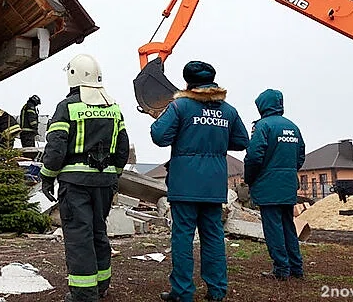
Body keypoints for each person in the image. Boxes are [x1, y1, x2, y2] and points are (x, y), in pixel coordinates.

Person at [151, 61, 249, 302]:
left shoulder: (180, 106)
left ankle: (182, 291)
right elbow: (242, 141)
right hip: (214, 184)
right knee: (214, 236)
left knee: (183, 236)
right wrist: (215, 140)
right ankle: (216, 291)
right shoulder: (228, 110)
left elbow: (158, 136)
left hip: (185, 184)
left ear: (188, 82)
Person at [40, 54, 129, 302]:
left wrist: (47, 177)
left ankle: (83, 294)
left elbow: (56, 148)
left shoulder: (67, 107)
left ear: (72, 77)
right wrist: (114, 176)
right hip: (104, 184)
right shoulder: (113, 108)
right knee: (99, 232)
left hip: (75, 184)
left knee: (80, 237)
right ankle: (101, 287)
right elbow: (123, 148)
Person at [244, 89, 306, 281]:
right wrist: (287, 171)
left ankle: (281, 269)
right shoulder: (293, 127)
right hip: (287, 185)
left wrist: (250, 178)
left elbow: (254, 157)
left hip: (268, 185)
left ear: (262, 105)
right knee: (288, 226)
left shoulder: (262, 127)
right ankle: (296, 267)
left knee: (273, 229)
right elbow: (300, 156)